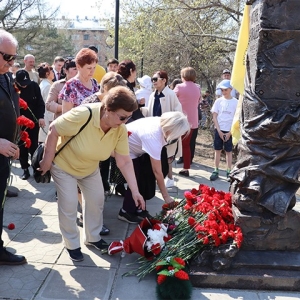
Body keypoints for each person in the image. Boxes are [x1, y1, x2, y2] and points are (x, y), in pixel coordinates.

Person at [38, 86, 145, 262]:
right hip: (64, 166)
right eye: (123, 117)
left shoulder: (120, 129)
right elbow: (54, 129)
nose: (126, 121)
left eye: (129, 117)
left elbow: (124, 161)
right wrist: (47, 161)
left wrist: (135, 191)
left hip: (89, 168)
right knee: (70, 203)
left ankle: (93, 237)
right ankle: (72, 243)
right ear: (108, 110)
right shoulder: (84, 114)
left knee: (97, 200)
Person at [118, 111, 190, 224]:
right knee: (135, 178)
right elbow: (157, 171)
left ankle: (140, 208)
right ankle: (126, 211)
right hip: (125, 149)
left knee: (143, 177)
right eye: (179, 134)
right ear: (172, 129)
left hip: (138, 149)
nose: (179, 137)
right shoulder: (153, 136)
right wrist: (166, 196)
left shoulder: (162, 123)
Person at [0, 28, 26, 265]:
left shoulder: (7, 77)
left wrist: (15, 139)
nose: (11, 62)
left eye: (13, 57)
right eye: (6, 57)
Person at [142, 70, 182, 188]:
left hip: (166, 130)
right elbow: (149, 111)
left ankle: (169, 178)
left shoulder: (170, 94)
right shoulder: (152, 95)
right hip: (154, 130)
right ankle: (157, 178)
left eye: (155, 79)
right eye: (152, 80)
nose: (153, 82)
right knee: (155, 154)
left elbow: (178, 111)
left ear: (164, 80)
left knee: (168, 155)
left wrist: (171, 126)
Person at [15, 69, 45, 180]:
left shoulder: (34, 86)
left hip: (34, 121)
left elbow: (40, 103)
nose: (24, 86)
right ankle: (25, 169)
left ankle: (35, 168)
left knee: (34, 146)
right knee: (22, 146)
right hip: (20, 122)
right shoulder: (13, 87)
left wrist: (41, 117)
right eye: (21, 85)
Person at [174, 67, 201, 175]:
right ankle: (186, 166)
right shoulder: (197, 88)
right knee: (187, 144)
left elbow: (172, 98)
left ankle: (184, 167)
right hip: (193, 120)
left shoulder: (179, 87)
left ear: (183, 76)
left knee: (176, 144)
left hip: (181, 119)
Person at [210, 79, 238, 181]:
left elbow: (237, 118)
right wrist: (219, 131)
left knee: (228, 151)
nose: (224, 92)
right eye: (222, 90)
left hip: (230, 130)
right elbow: (214, 116)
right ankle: (216, 169)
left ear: (230, 89)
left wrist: (230, 132)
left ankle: (229, 170)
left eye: (225, 90)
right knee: (217, 150)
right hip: (219, 130)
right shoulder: (218, 101)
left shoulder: (236, 102)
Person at [59, 48, 99, 113]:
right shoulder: (71, 86)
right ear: (78, 67)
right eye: (89, 68)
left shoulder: (95, 83)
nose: (92, 71)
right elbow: (66, 116)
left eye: (94, 67)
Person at [37, 63, 54, 143]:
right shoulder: (47, 86)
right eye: (52, 71)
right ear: (47, 74)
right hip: (46, 117)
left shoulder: (44, 83)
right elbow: (48, 104)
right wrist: (51, 120)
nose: (53, 73)